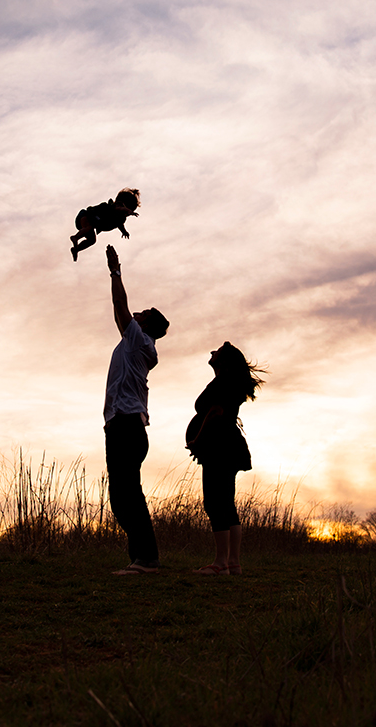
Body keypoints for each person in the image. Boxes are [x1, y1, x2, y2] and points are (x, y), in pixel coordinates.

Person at [101, 243, 169, 574]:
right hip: (120, 426)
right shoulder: (137, 344)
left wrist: (115, 271)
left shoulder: (139, 340)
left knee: (129, 493)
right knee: (120, 497)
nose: (134, 314)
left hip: (128, 426)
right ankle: (139, 559)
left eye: (140, 314)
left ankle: (148, 559)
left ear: (145, 325)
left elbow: (119, 306)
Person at [185, 342, 263, 575]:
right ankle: (233, 563)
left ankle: (220, 563)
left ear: (224, 360)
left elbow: (214, 413)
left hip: (218, 446)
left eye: (216, 351)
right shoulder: (232, 384)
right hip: (229, 445)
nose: (211, 352)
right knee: (226, 502)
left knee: (214, 502)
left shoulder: (222, 383)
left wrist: (198, 440)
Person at [71, 188, 140, 261]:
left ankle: (76, 249)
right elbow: (118, 209)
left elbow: (120, 225)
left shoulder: (120, 219)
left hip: (88, 223)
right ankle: (76, 237)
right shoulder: (114, 207)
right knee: (90, 226)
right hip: (85, 216)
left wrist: (124, 231)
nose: (126, 214)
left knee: (92, 240)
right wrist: (129, 211)